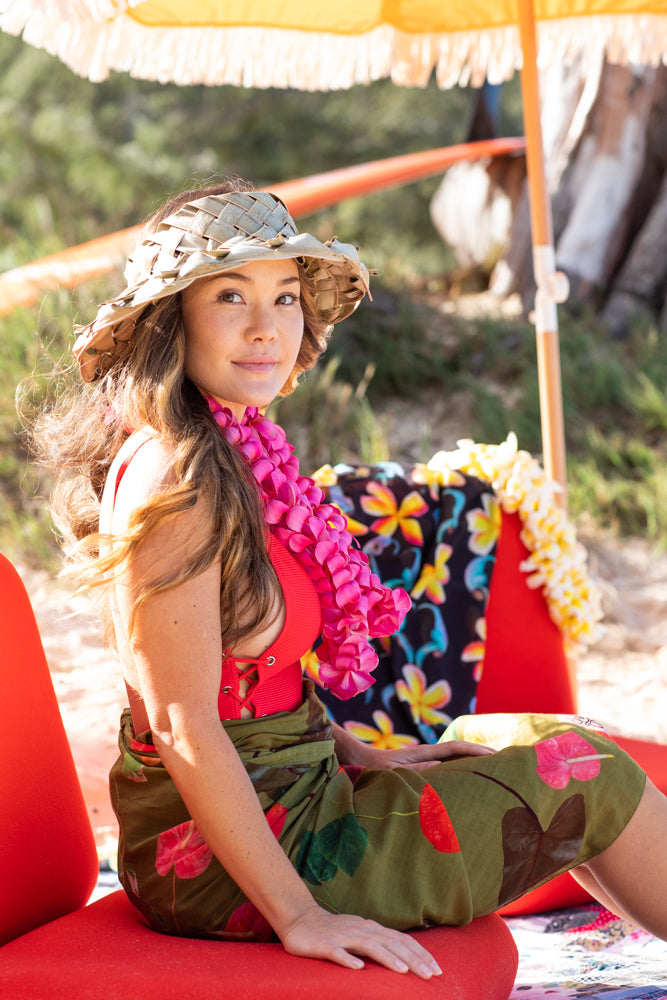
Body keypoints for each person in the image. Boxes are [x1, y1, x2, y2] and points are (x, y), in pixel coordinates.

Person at [34, 179, 667, 980]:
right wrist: (301, 917)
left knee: (536, 738)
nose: (267, 328)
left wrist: (363, 753)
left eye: (286, 297)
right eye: (231, 295)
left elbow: (260, 688)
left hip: (294, 788)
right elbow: (183, 722)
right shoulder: (177, 478)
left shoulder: (233, 449)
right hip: (226, 858)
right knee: (592, 773)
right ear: (173, 319)